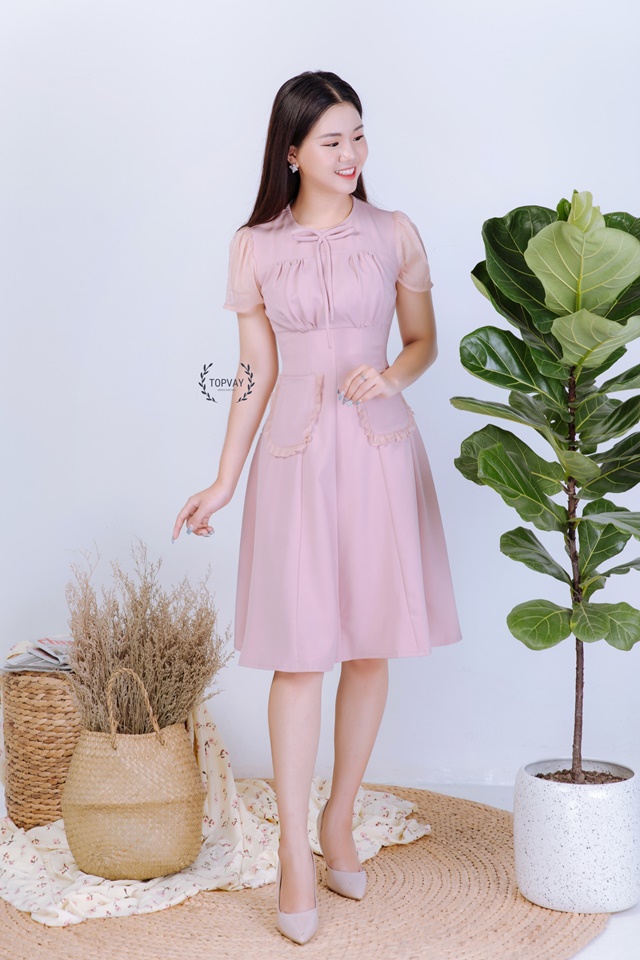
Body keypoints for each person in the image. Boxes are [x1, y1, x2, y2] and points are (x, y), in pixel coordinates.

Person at [173, 70, 462, 945]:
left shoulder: (394, 231)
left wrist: (394, 374)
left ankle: (340, 819)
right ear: (292, 151)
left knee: (369, 647)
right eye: (332, 140)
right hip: (295, 462)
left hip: (378, 451)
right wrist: (224, 477)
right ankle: (293, 853)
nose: (351, 154)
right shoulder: (254, 246)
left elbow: (424, 340)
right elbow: (252, 370)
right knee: (300, 658)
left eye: (358, 136)